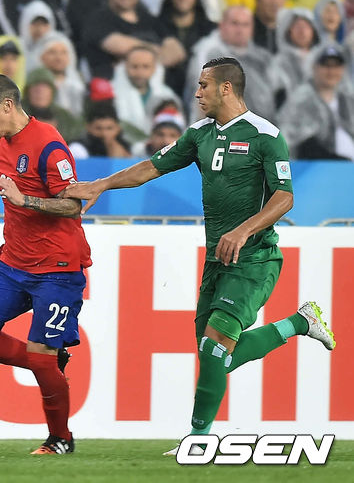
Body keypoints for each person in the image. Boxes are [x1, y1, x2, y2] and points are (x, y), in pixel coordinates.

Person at [64, 57, 336, 455]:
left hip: (255, 258)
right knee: (215, 357)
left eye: (204, 85)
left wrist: (243, 230)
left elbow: (285, 197)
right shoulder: (199, 135)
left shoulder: (265, 135)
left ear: (226, 88)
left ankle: (197, 441)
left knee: (214, 349)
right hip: (217, 261)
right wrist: (100, 185)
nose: (196, 93)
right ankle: (299, 322)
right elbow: (151, 168)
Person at [0, 74, 92, 455]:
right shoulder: (2, 140)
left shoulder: (49, 144)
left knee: (40, 357)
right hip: (13, 264)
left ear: (7, 105)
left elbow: (73, 205)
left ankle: (60, 439)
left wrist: (25, 200)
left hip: (57, 269)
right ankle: (47, 360)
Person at [277, 44, 354, 160]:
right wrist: (336, 160)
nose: (331, 71)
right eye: (326, 65)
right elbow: (299, 145)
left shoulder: (347, 101)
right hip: (314, 168)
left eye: (336, 66)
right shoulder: (302, 101)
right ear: (313, 67)